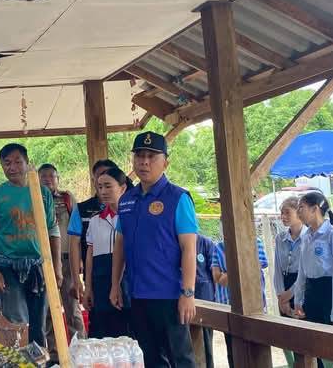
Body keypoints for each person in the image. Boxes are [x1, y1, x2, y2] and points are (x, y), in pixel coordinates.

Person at [109, 131, 197, 368]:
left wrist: (188, 294)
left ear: (165, 162)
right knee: (150, 358)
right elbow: (120, 245)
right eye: (139, 156)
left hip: (169, 295)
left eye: (151, 156)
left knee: (181, 359)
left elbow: (189, 248)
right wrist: (115, 284)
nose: (144, 162)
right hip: (137, 294)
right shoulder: (127, 200)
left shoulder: (178, 198)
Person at [0, 143, 62, 346]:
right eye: (7, 163)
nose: (12, 167)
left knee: (38, 324)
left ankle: (41, 359)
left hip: (38, 265)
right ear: (2, 166)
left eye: (18, 162)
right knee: (16, 323)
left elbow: (53, 231)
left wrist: (57, 267)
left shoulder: (43, 193)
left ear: (27, 163)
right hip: (7, 266)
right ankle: (20, 360)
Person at [279, 192, 333, 368]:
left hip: (330, 290)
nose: (299, 212)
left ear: (315, 209)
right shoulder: (306, 236)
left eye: (301, 208)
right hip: (311, 293)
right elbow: (302, 272)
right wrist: (298, 300)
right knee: (315, 343)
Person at [83, 167, 133, 339]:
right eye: (100, 187)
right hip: (101, 282)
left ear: (122, 188)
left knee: (128, 331)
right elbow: (90, 254)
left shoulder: (132, 216)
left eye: (108, 186)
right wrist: (88, 287)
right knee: (102, 331)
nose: (103, 191)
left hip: (128, 282)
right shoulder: (95, 220)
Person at [38, 163, 85, 346]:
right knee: (48, 310)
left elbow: (78, 231)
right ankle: (54, 352)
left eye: (51, 176)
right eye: (43, 176)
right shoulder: (33, 200)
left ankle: (80, 348)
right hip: (43, 262)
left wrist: (79, 258)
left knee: (72, 307)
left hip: (66, 260)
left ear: (58, 179)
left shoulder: (67, 198)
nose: (47, 179)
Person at [211, 225, 268, 368]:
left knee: (257, 348)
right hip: (227, 304)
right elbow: (217, 278)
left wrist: (228, 273)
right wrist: (240, 267)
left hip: (254, 305)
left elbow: (253, 270)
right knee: (233, 349)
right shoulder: (218, 248)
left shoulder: (256, 242)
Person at [67, 159, 119, 308]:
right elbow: (74, 244)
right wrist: (76, 280)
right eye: (99, 176)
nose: (103, 180)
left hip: (127, 277)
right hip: (95, 276)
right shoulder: (82, 209)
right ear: (94, 180)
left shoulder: (130, 209)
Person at [274, 197, 307, 367]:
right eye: (281, 213)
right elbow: (277, 269)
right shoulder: (280, 238)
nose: (283, 216)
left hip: (302, 287)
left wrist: (291, 293)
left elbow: (306, 271)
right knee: (290, 336)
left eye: (287, 212)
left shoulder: (309, 236)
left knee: (306, 336)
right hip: (285, 285)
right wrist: (281, 297)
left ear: (299, 213)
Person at [195, 234, 216, 368]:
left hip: (205, 296)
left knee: (206, 338)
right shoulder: (176, 241)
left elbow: (214, 272)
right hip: (183, 296)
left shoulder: (206, 243)